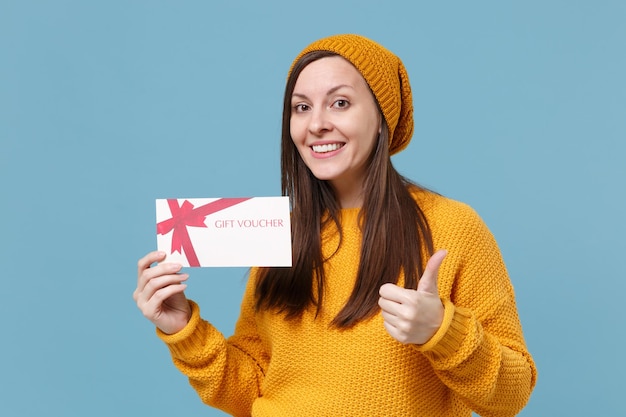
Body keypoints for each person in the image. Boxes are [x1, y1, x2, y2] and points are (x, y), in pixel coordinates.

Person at [134, 34, 537, 416]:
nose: (317, 124)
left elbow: (510, 398)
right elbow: (251, 389)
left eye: (340, 103)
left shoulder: (453, 227)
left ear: (382, 117)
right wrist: (185, 328)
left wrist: (442, 331)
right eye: (301, 107)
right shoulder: (280, 234)